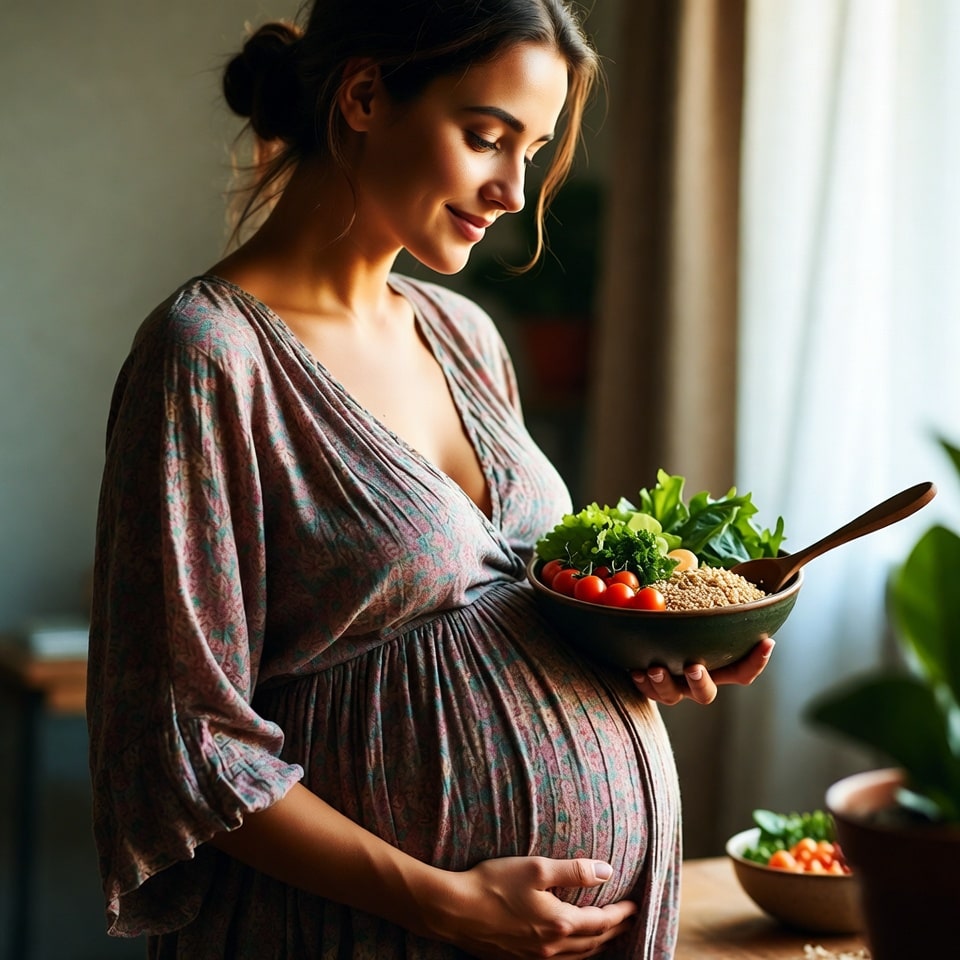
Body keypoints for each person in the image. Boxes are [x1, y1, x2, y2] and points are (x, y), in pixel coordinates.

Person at [86, 2, 775, 958]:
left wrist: (638, 649)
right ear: (365, 95)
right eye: (487, 137)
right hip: (347, 931)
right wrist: (438, 901)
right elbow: (184, 737)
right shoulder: (209, 355)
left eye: (530, 149)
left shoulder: (466, 335)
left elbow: (505, 608)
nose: (513, 191)